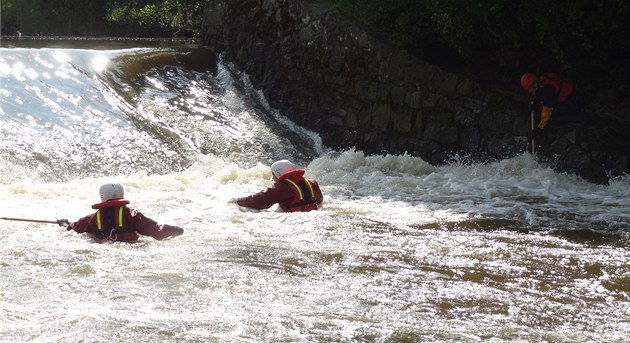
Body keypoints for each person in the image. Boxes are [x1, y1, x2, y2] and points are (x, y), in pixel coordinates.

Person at [65, 183, 184, 242]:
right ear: (122, 195)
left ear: (102, 197)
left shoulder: (93, 218)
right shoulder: (132, 214)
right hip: (131, 246)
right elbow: (154, 230)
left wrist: (64, 224)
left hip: (106, 247)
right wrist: (173, 229)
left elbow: (74, 227)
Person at [230, 160, 323, 212]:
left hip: (295, 220)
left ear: (278, 174)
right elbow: (320, 201)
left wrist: (238, 201)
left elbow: (259, 202)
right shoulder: (312, 183)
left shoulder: (282, 188)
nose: (272, 177)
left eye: (273, 174)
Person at [520, 72, 583, 141]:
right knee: (545, 114)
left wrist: (539, 129)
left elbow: (547, 111)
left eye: (530, 89)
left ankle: (578, 119)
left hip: (572, 102)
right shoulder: (541, 83)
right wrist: (534, 105)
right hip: (565, 100)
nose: (529, 92)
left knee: (551, 119)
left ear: (535, 84)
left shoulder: (547, 89)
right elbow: (540, 96)